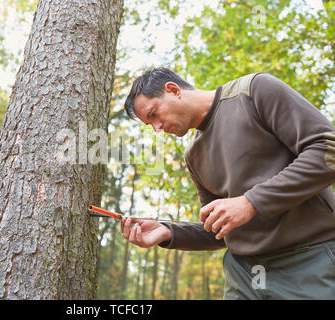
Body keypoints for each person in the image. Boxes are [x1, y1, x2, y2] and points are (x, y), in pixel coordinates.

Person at [121, 67, 335, 299]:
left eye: (154, 114)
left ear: (173, 90)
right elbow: (220, 228)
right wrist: (168, 232)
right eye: (149, 125)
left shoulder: (254, 92)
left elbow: (328, 151)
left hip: (308, 260)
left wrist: (252, 202)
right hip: (243, 273)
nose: (157, 128)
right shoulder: (193, 156)